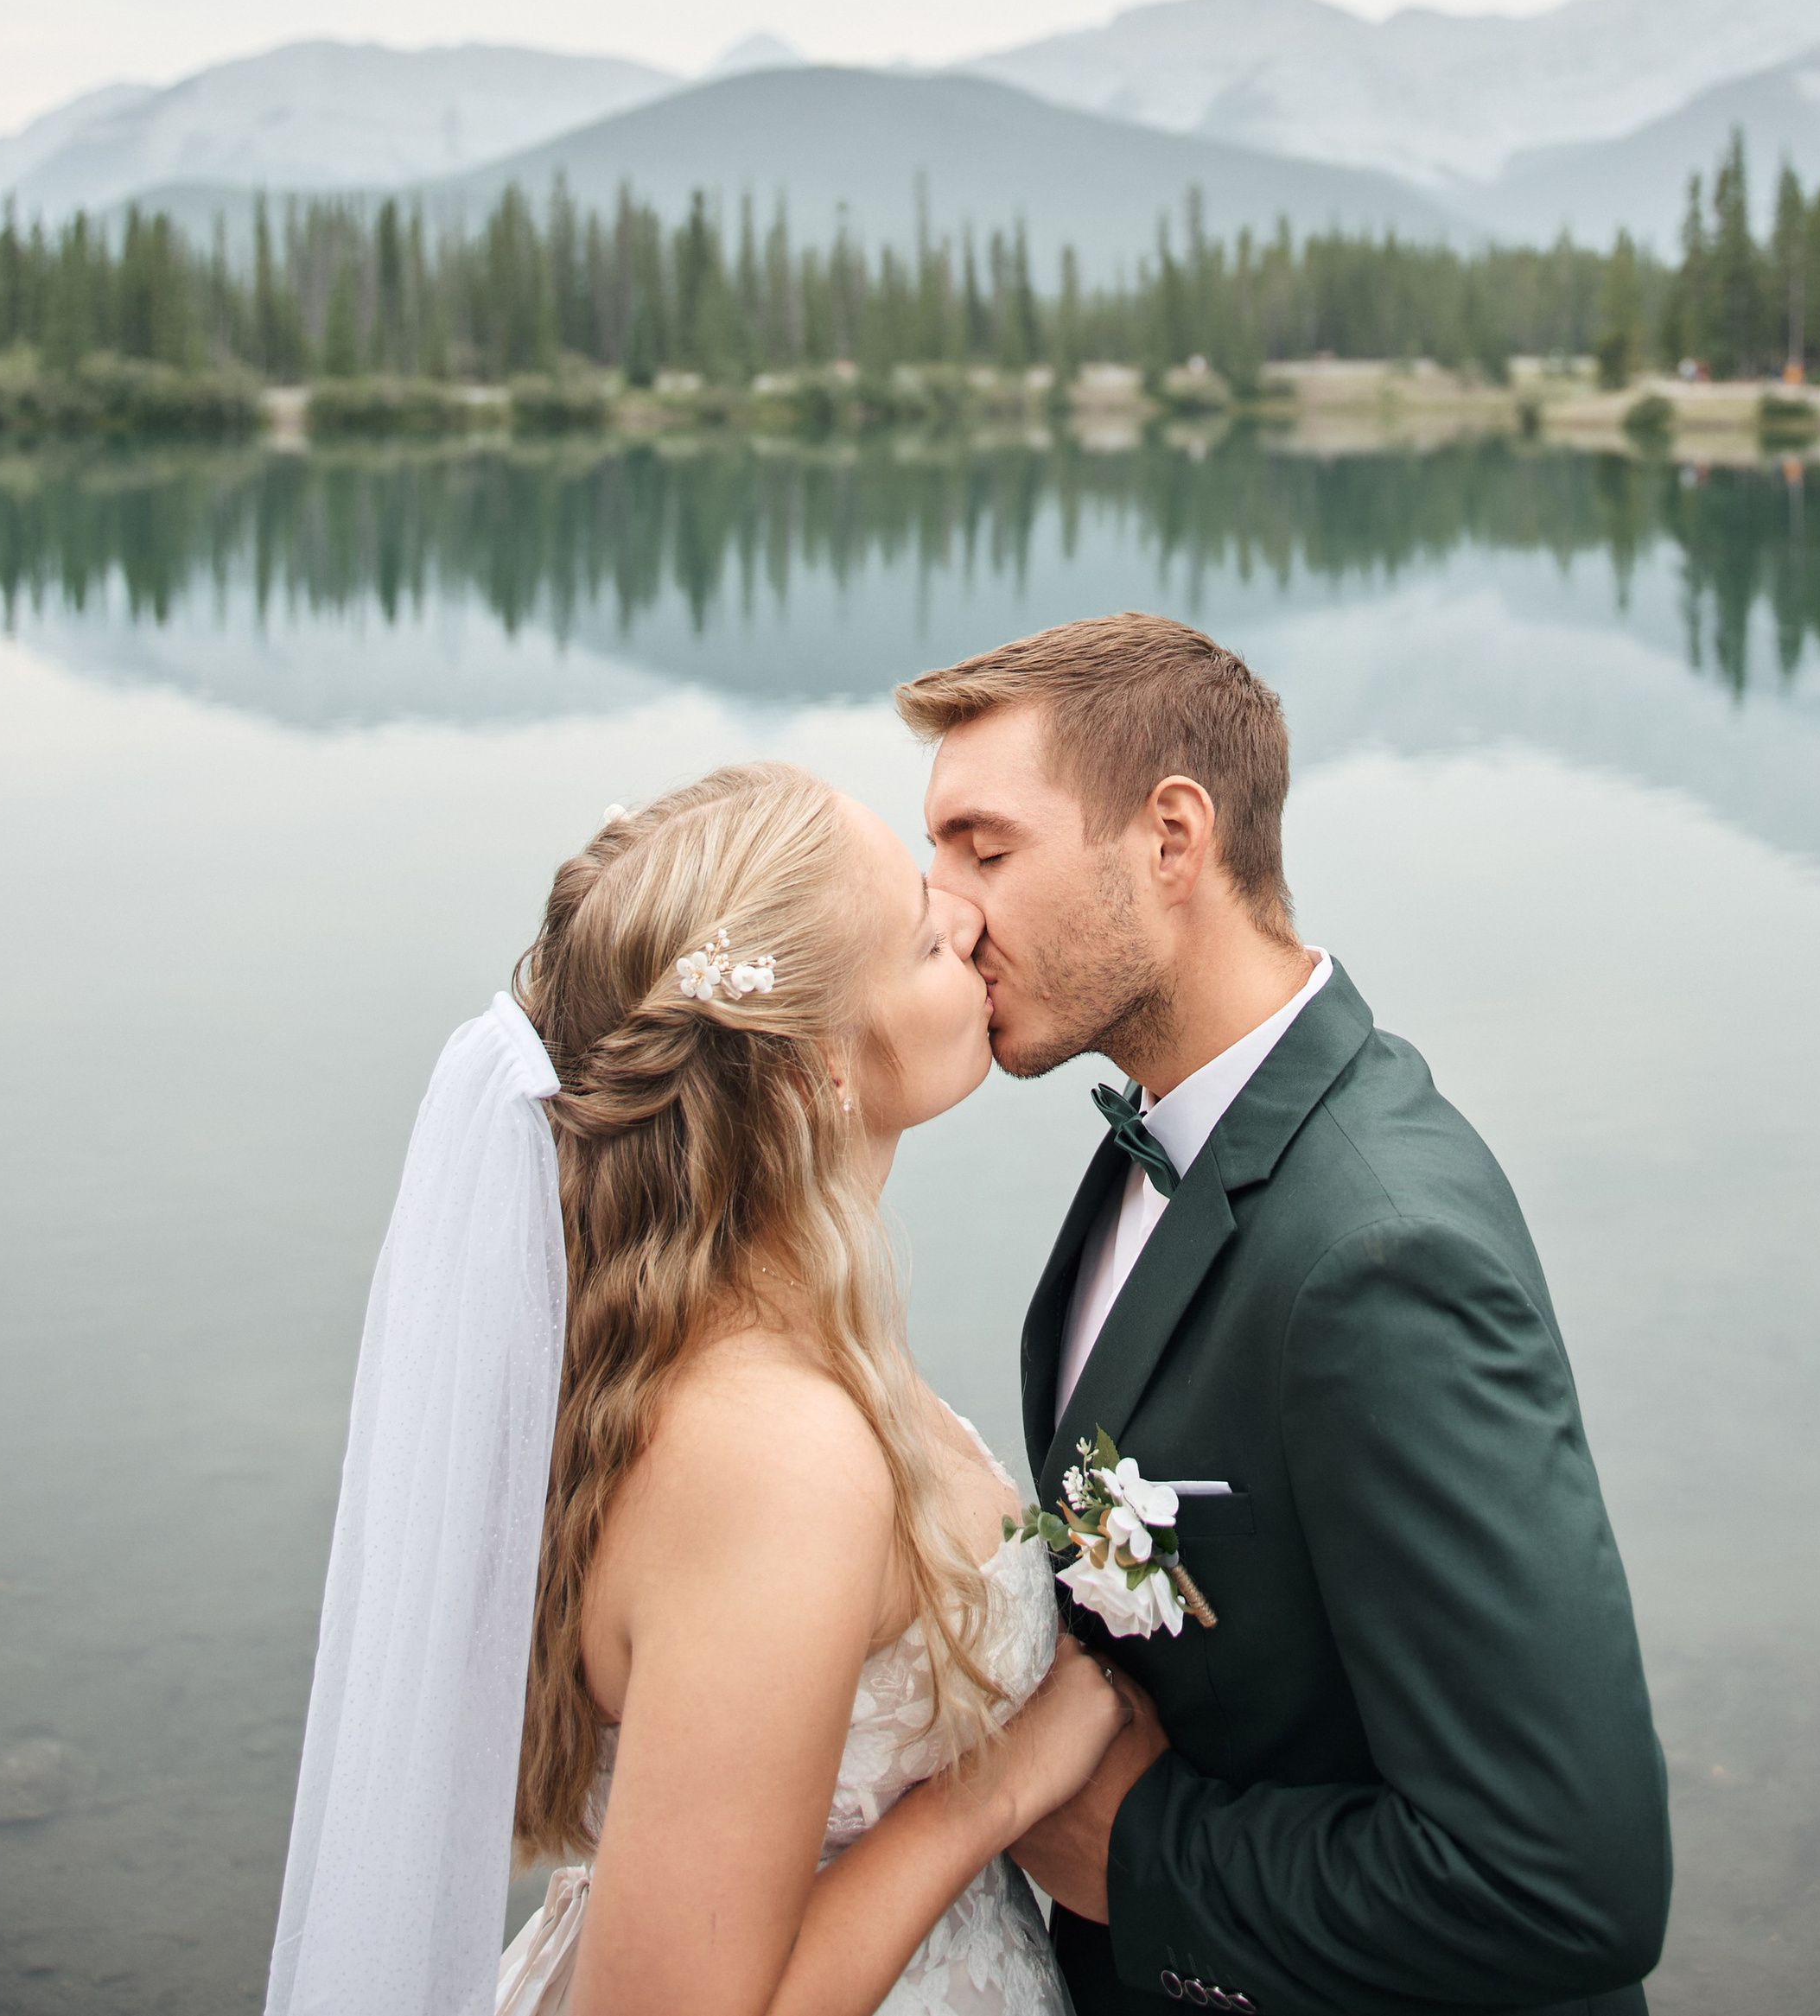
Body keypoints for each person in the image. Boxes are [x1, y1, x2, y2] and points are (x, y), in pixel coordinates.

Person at [265, 761, 1127, 2016]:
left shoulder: (712, 1333)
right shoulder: (773, 1453)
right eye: (916, 932)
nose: (966, 914)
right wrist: (992, 1792)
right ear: (806, 1073)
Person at [900, 614, 1671, 2016]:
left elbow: (1567, 1878)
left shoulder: (1386, 1253)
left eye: (985, 847)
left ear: (1172, 839)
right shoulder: (1179, 1123)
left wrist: (1143, 1857)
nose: (946, 909)